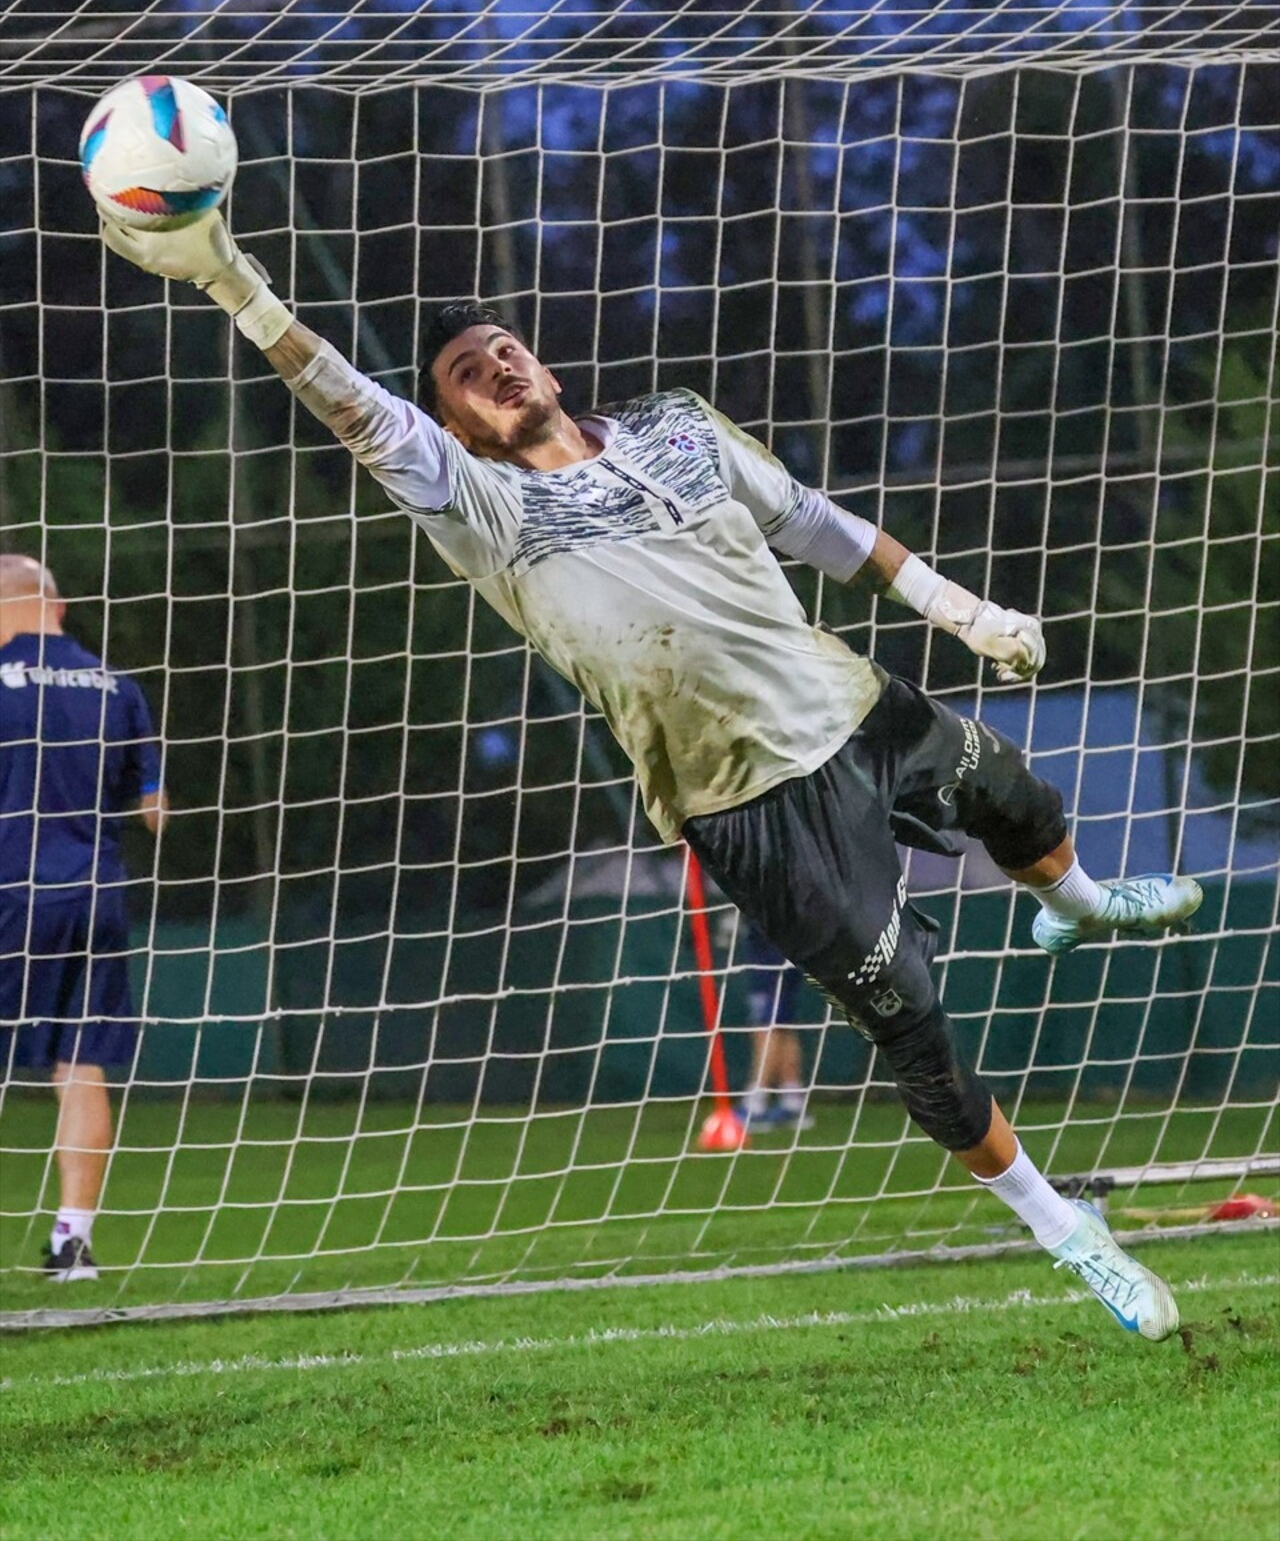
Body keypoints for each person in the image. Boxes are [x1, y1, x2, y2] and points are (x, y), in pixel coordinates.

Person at [99, 210, 1204, 1342]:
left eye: (502, 349)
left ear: (543, 359)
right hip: (746, 802)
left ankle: (1072, 903)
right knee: (911, 1032)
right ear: (456, 429)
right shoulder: (474, 505)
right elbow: (347, 402)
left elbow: (810, 525)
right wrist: (235, 282)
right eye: (465, 377)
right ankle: (1065, 1231)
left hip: (853, 704)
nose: (494, 369)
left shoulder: (677, 424)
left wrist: (955, 608)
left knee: (1020, 798)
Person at [0, 556, 166, 1281]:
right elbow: (155, 811)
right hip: (95, 894)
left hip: (9, 889)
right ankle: (73, 1244)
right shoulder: (117, 686)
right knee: (80, 1065)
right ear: (58, 607)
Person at [732, 921, 814, 1133]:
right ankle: (792, 1100)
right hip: (788, 931)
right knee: (782, 1019)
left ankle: (755, 1104)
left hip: (773, 932)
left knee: (767, 1020)